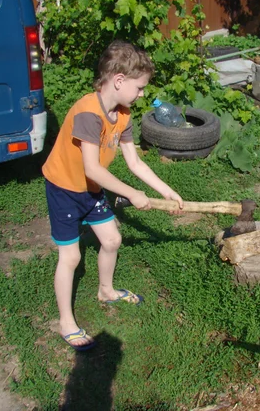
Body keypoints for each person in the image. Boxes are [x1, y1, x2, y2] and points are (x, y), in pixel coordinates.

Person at [42, 41, 184, 351]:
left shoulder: (122, 114)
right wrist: (133, 194)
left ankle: (105, 290)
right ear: (119, 81)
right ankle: (66, 321)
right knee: (71, 256)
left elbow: (134, 162)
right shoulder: (88, 114)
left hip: (91, 188)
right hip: (65, 188)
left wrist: (166, 191)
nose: (142, 94)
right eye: (140, 87)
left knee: (111, 240)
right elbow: (92, 168)